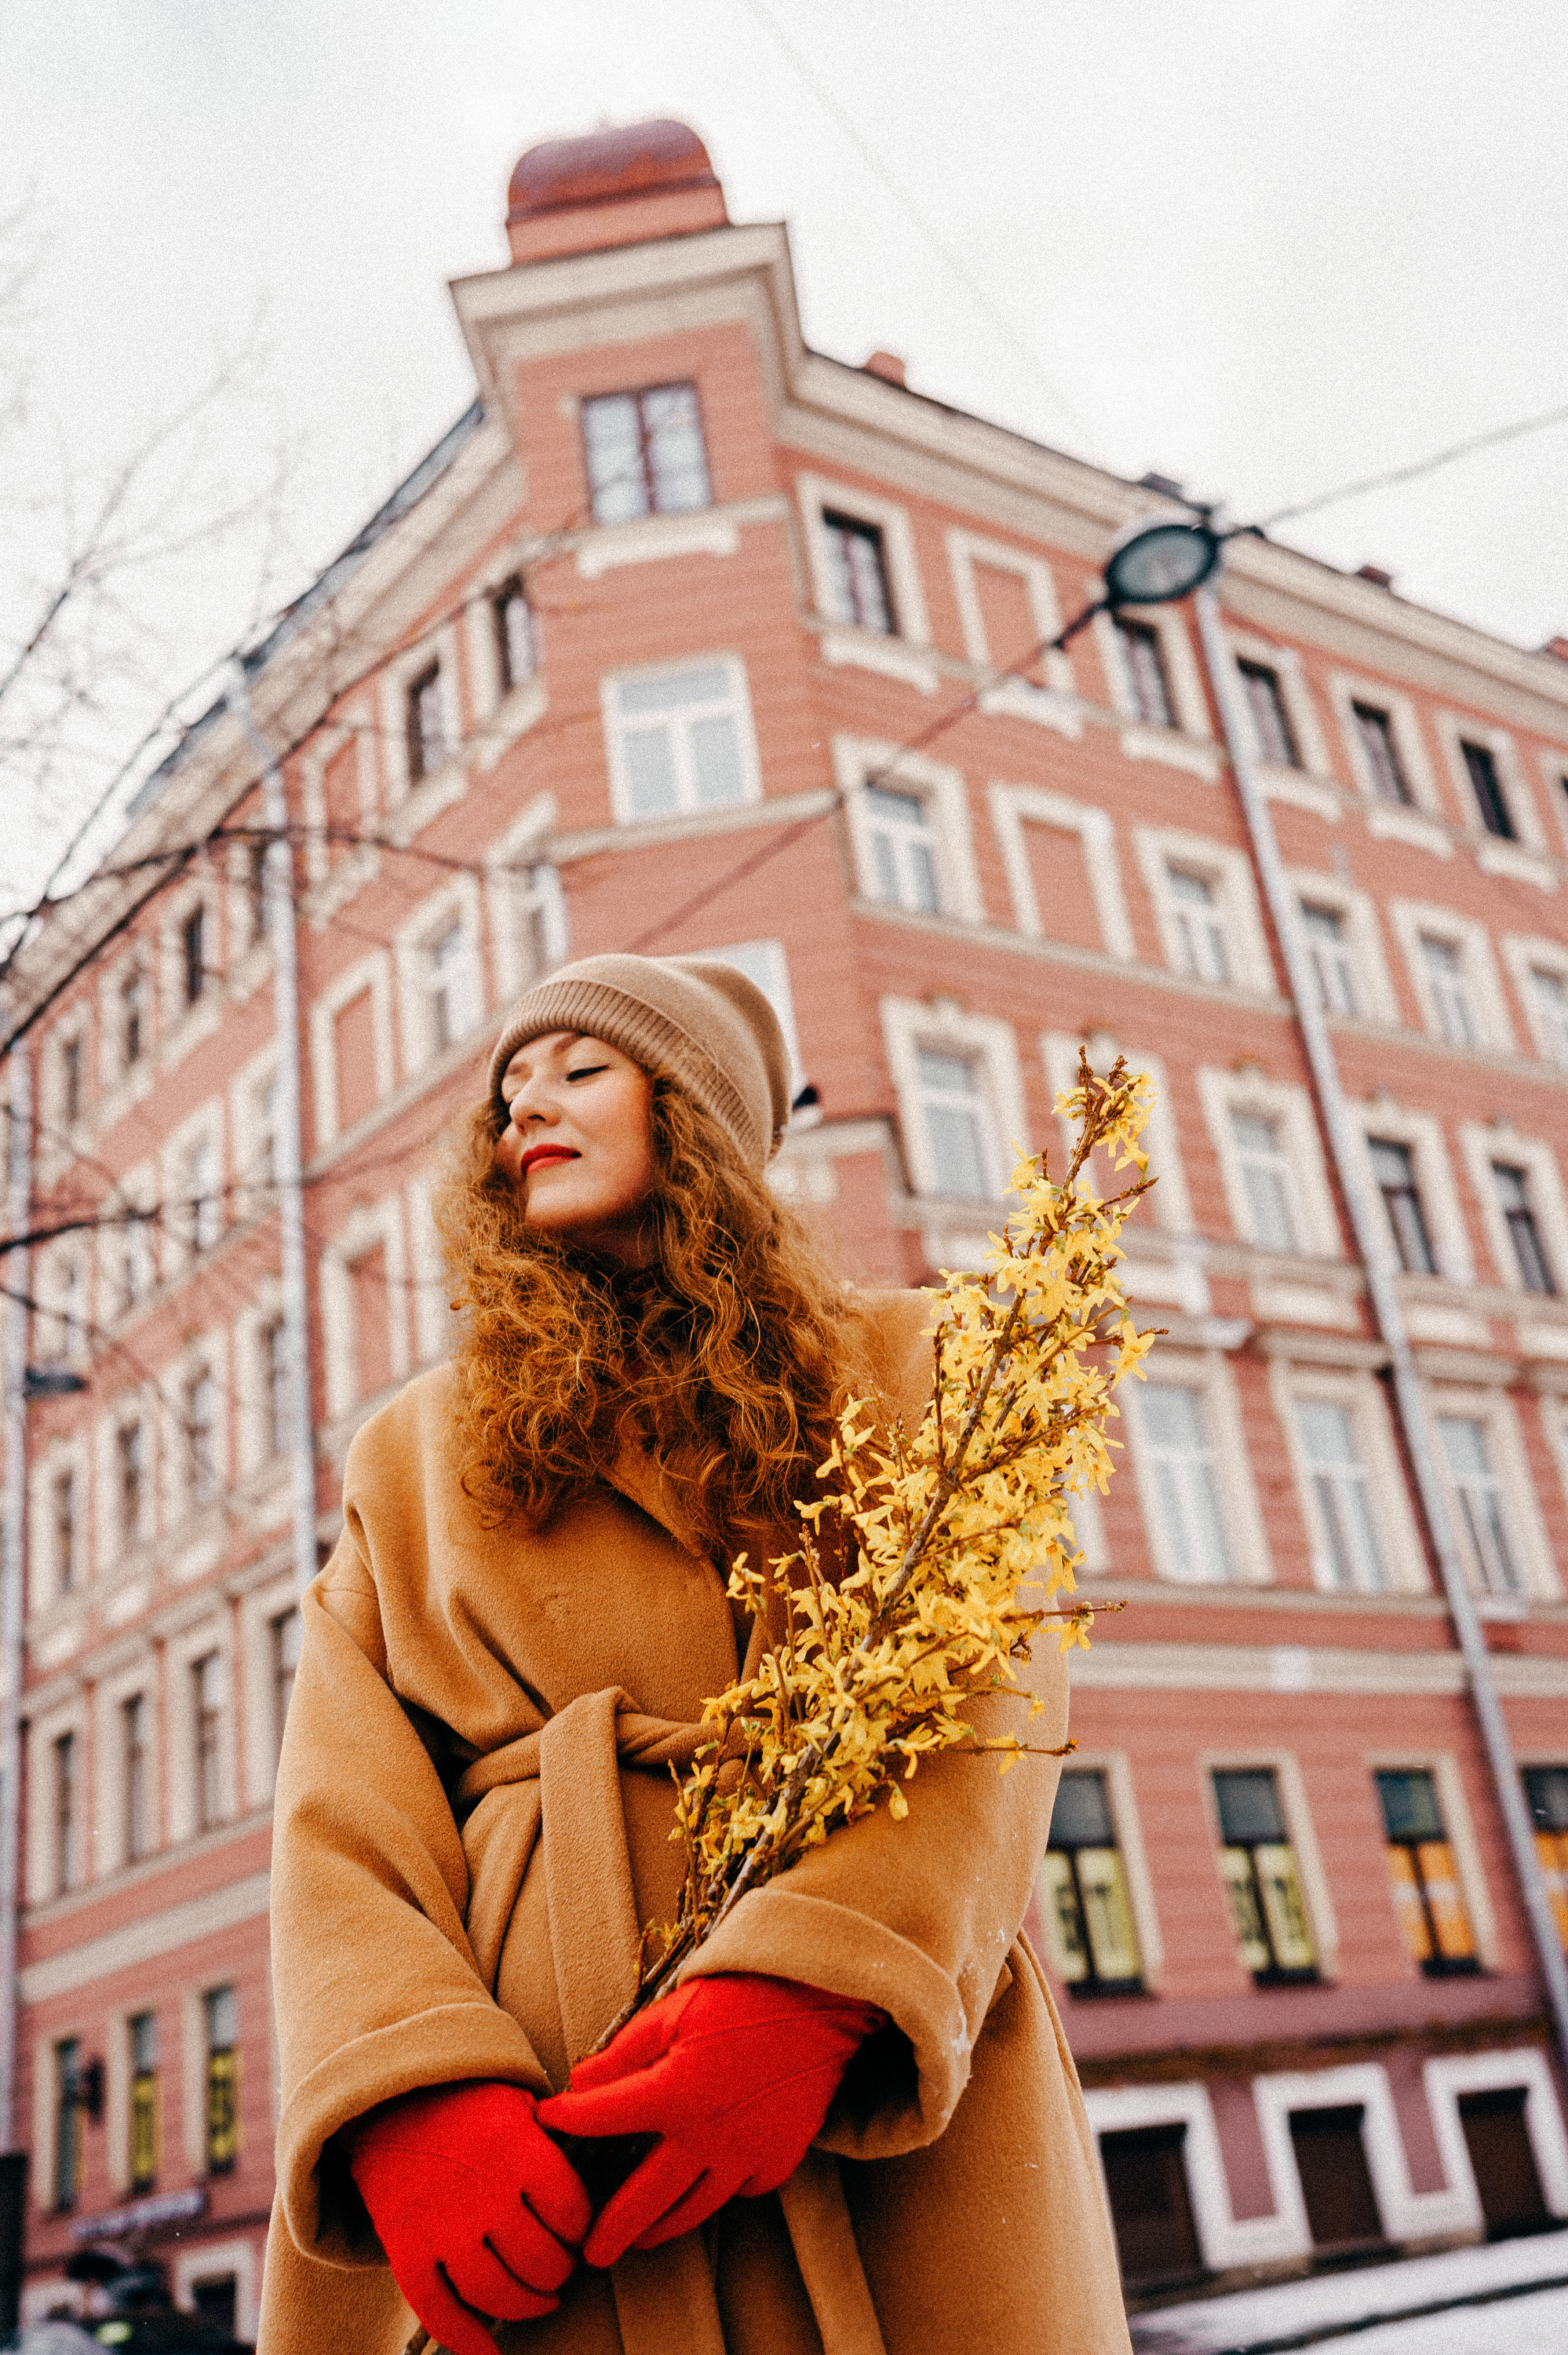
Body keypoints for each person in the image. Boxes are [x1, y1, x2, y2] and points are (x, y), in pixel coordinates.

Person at [258, 953, 1130, 2355]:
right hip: (526, 2135)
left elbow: (991, 1696)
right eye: (507, 1089)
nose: (524, 1105)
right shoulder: (413, 1450)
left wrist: (820, 1987)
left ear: (700, 1115)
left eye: (581, 1069)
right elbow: (340, 1807)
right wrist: (412, 2097)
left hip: (862, 2119)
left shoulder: (919, 1366)